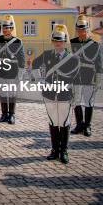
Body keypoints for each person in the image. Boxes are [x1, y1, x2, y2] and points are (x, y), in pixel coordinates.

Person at [31, 24, 80, 164]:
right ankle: (54, 150)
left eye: (60, 41)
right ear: (52, 41)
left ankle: (63, 150)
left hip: (65, 94)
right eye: (55, 40)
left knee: (64, 122)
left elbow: (76, 80)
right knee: (53, 121)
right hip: (50, 94)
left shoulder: (73, 59)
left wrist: (76, 97)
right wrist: (40, 79)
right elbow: (34, 63)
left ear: (65, 42)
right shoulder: (47, 54)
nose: (58, 43)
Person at [70, 15, 102, 137]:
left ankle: (87, 126)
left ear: (87, 29)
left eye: (83, 30)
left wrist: (98, 79)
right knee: (76, 100)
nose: (81, 32)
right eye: (79, 29)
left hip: (89, 75)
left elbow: (99, 63)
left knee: (89, 101)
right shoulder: (73, 42)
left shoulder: (94, 44)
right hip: (77, 75)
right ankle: (79, 124)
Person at [0, 15, 25, 124]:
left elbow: (22, 59)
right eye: (3, 28)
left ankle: (12, 115)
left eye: (7, 28)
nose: (5, 30)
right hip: (1, 70)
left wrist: (20, 74)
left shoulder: (17, 42)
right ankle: (4, 114)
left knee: (11, 93)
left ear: (11, 29)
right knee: (3, 93)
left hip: (12, 71)